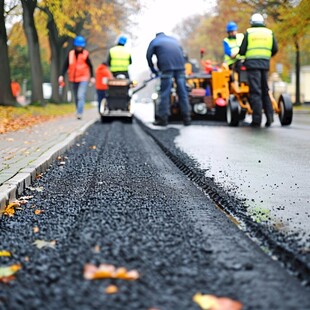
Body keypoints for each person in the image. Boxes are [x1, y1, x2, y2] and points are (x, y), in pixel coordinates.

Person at [239, 13, 278, 127]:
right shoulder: (269, 33)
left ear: (252, 22)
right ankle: (270, 118)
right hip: (265, 65)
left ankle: (257, 120)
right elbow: (275, 49)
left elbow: (242, 50)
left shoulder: (249, 33)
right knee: (265, 90)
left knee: (256, 91)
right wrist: (266, 56)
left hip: (252, 65)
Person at [146, 32, 191, 126]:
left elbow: (148, 57)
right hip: (180, 67)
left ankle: (163, 119)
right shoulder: (174, 40)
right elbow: (184, 54)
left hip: (167, 67)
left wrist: (154, 70)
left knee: (165, 93)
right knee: (182, 92)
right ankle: (187, 118)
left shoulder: (155, 41)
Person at [58, 35, 95, 119]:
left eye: (81, 46)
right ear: (75, 46)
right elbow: (65, 65)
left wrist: (92, 77)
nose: (79, 48)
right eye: (78, 46)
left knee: (80, 95)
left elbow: (90, 66)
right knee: (76, 96)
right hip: (73, 79)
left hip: (83, 78)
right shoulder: (70, 54)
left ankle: (79, 113)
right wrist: (61, 75)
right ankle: (78, 109)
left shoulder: (85, 54)